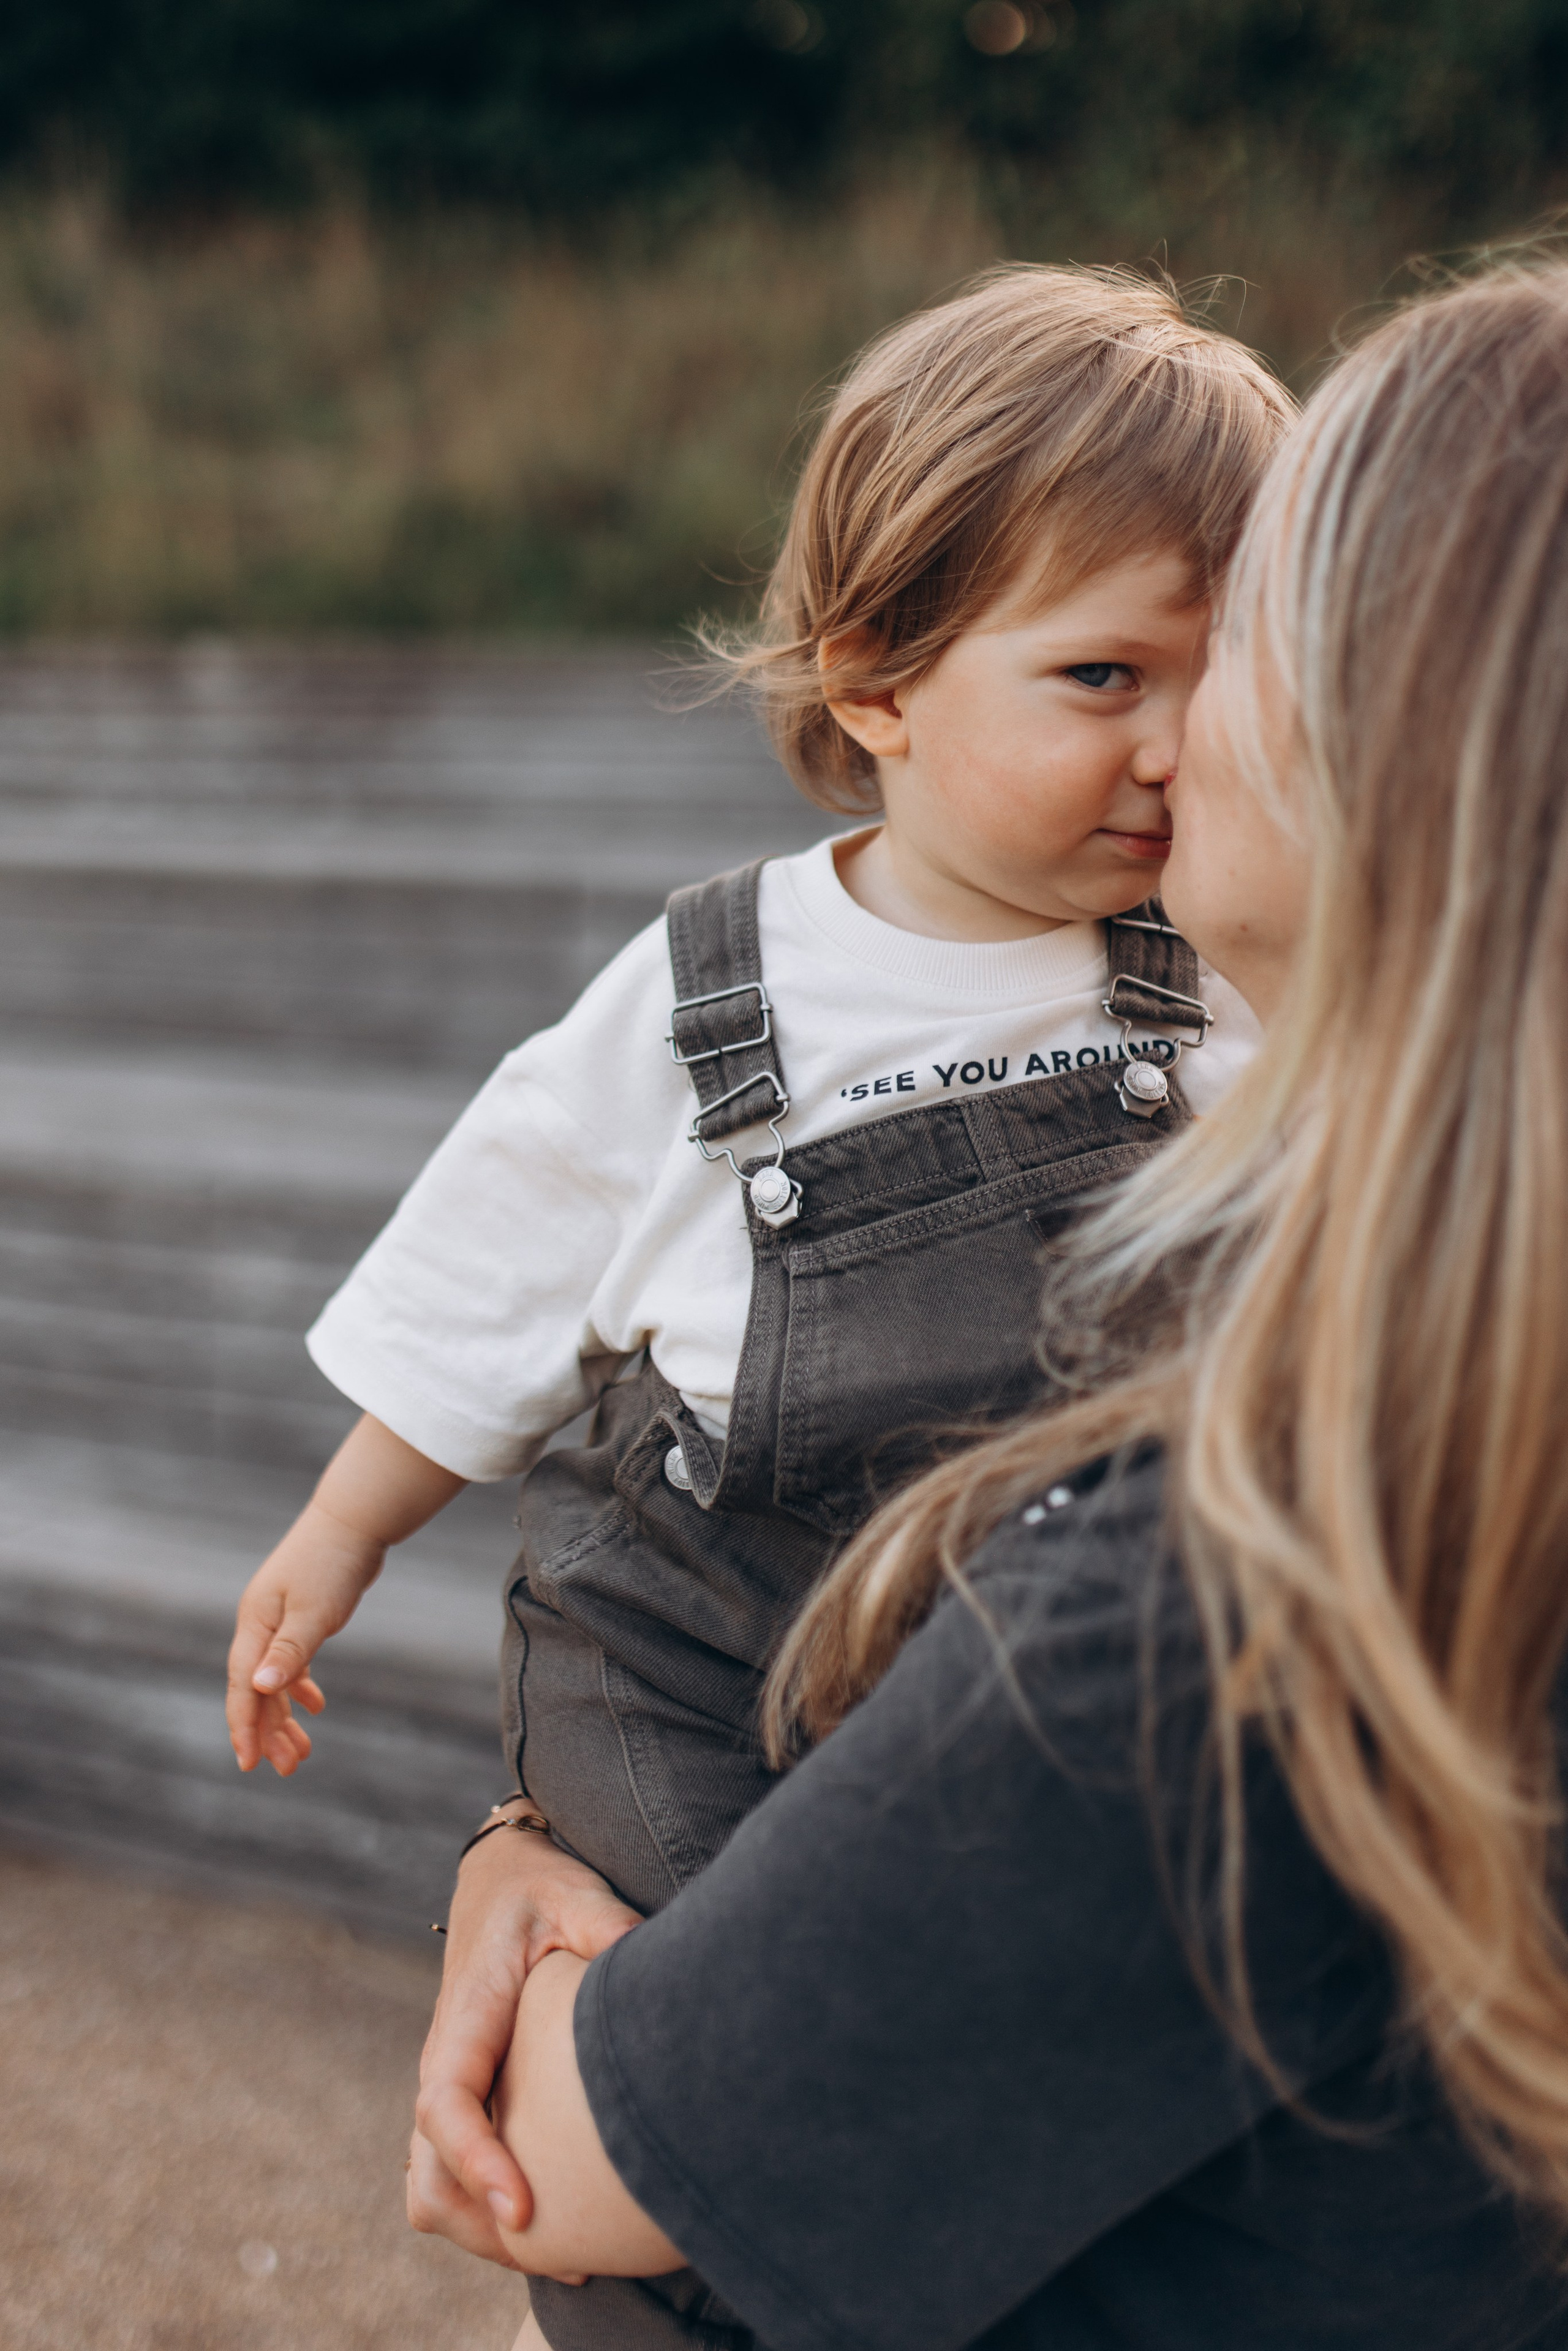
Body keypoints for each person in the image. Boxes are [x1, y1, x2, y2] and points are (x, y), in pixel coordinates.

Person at [409, 258, 1568, 2351]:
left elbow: (570, 2177)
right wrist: (537, 1814)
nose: (1169, 725)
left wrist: (557, 1929)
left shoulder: (1244, 1598)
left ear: (1401, 746)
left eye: (1244, 640)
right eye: (1119, 663)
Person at [225, 267, 1287, 2346]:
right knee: (702, 2026)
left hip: (1017, 1656)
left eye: (1217, 676)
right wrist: (337, 1539)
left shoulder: (1207, 989)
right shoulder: (723, 987)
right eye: (1100, 677)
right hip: (715, 1635)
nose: (1171, 750)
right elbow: (501, 1265)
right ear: (881, 679)